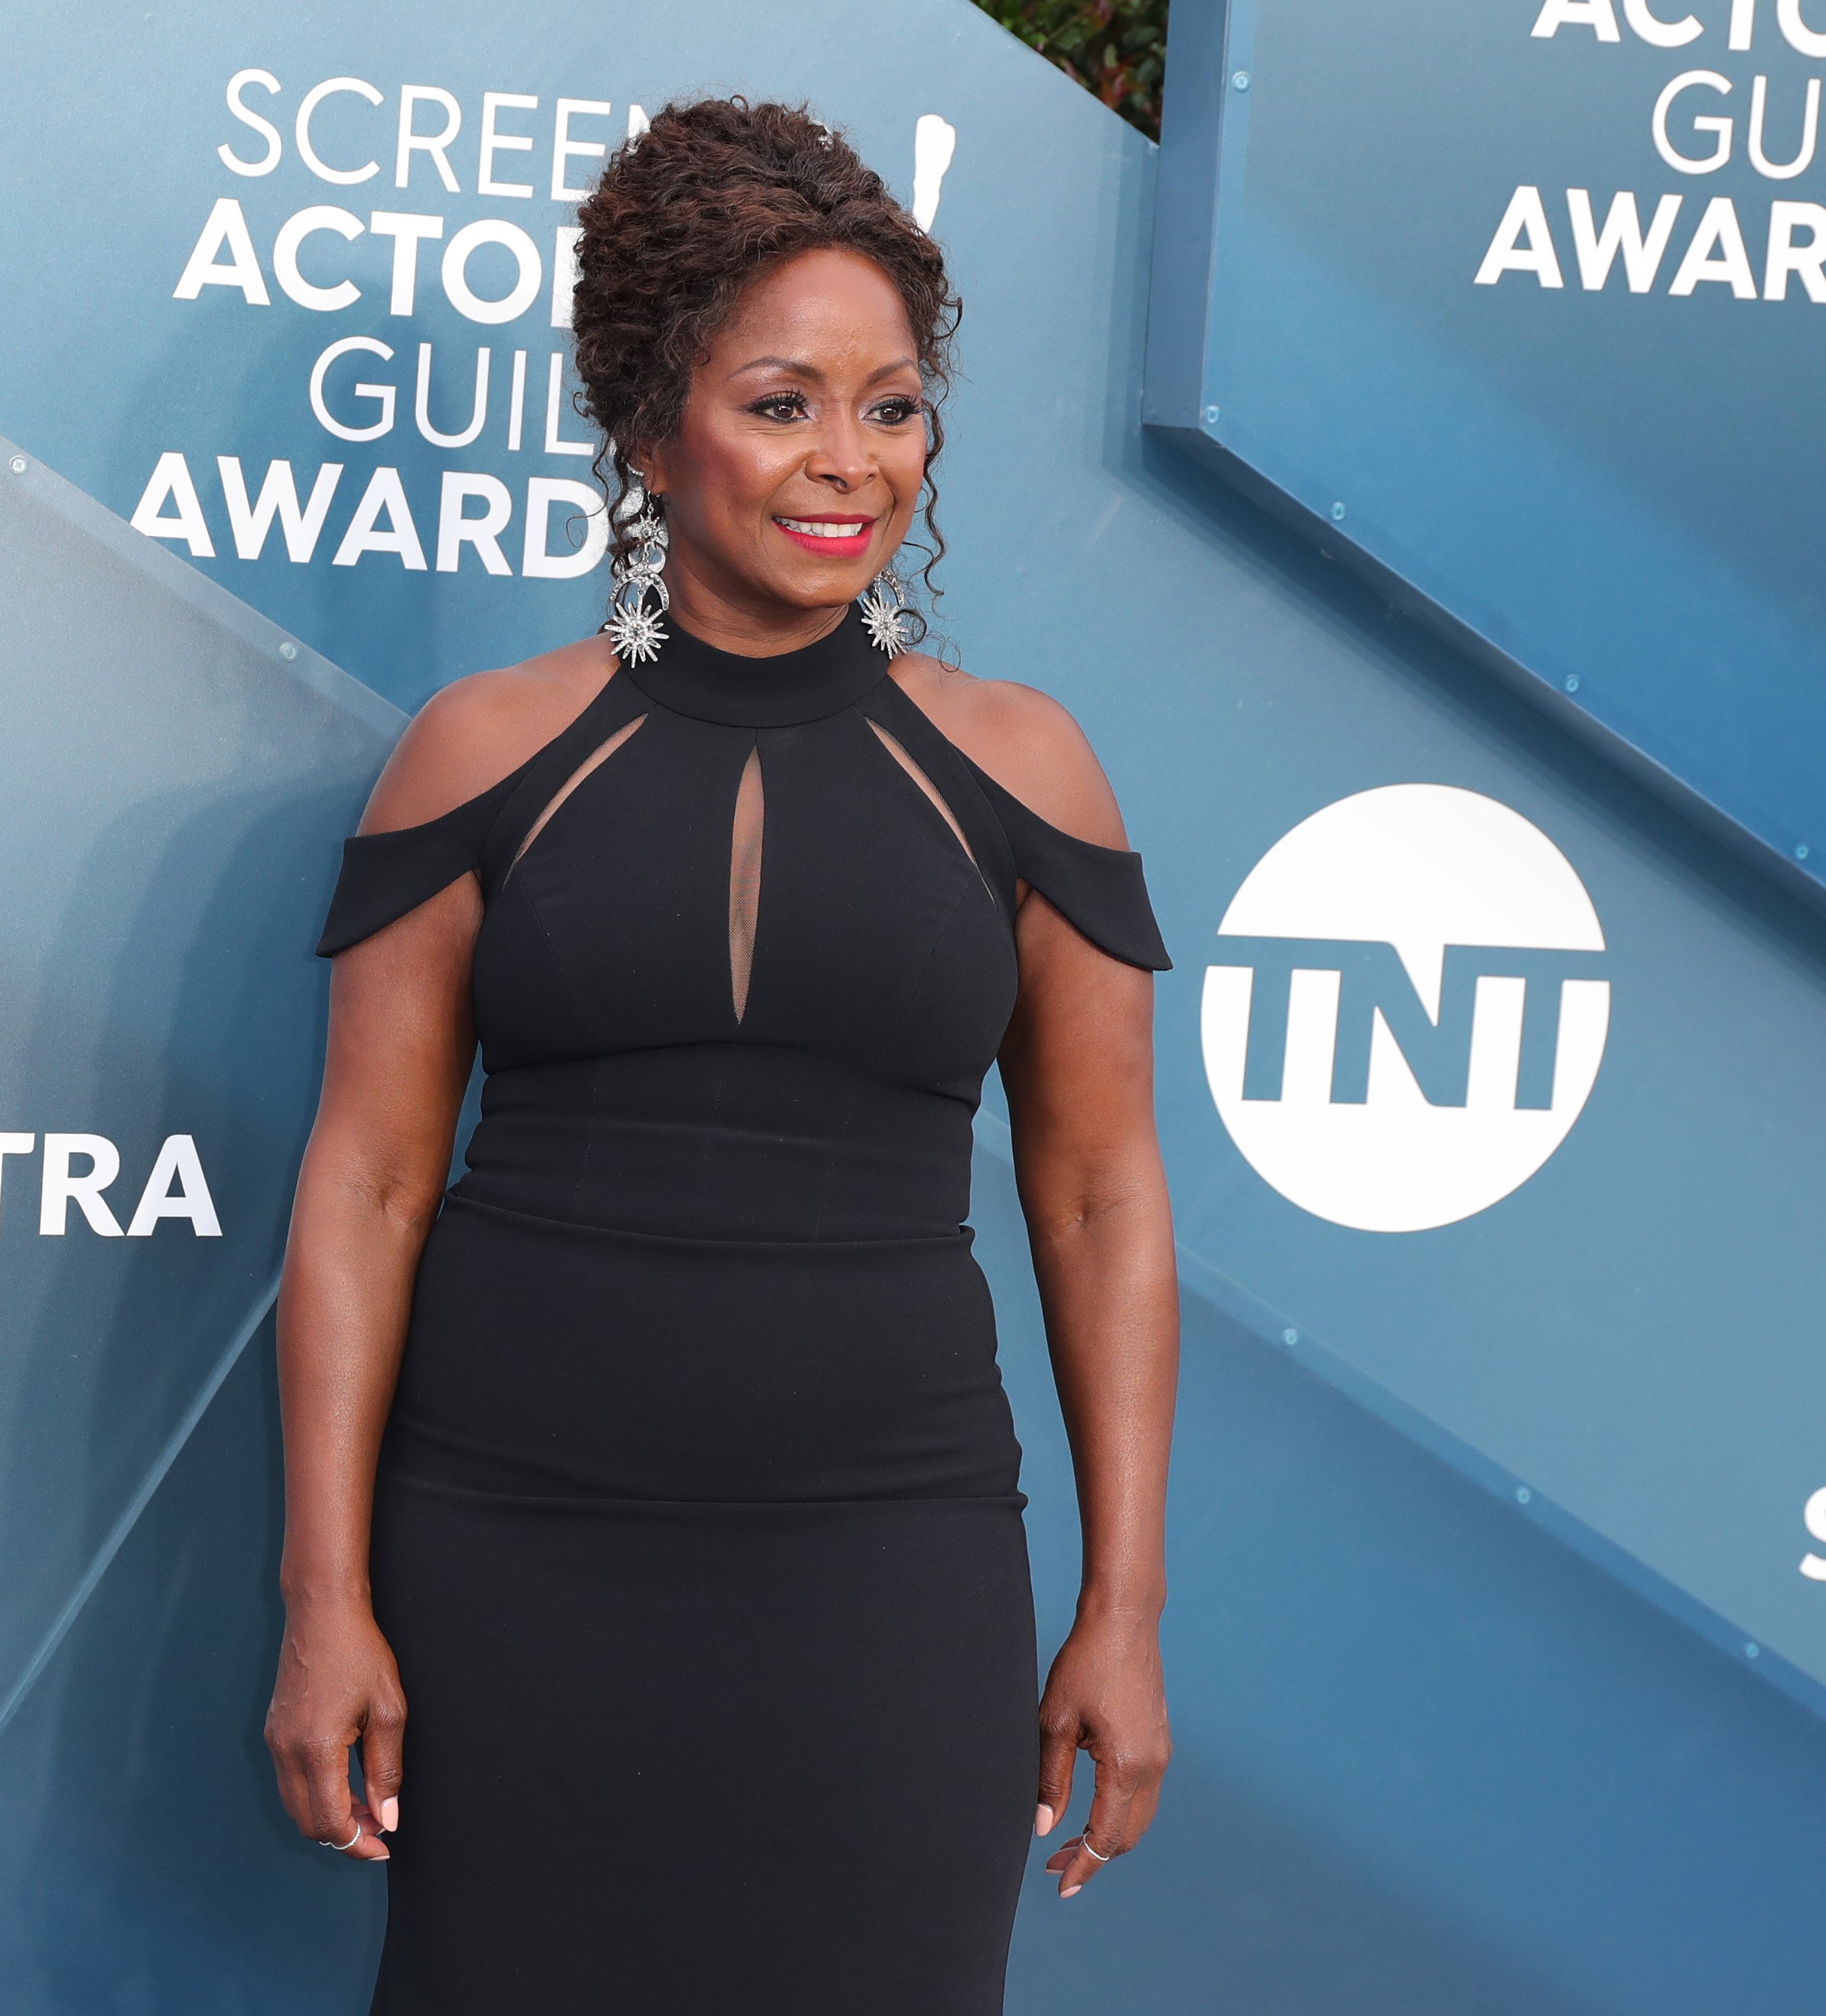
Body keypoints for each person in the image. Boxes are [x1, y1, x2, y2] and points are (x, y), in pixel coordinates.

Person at [265, 97, 1180, 2014]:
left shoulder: (1027, 765)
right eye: (781, 403)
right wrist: (322, 1595)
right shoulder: (480, 747)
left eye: (895, 405)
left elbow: (1099, 1193)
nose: (849, 464)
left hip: (889, 1570)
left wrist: (1124, 1607)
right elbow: (365, 1180)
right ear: (648, 422)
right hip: (516, 1559)